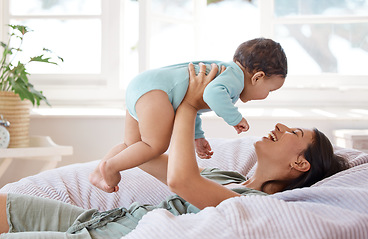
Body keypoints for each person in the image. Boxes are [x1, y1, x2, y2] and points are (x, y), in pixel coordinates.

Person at [0, 63, 348, 239]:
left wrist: (189, 106)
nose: (280, 128)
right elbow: (147, 153)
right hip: (93, 221)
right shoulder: (229, 177)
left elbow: (181, 179)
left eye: (294, 133)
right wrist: (145, 98)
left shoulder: (251, 205)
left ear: (300, 162)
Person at [90, 37, 288, 193]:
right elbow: (211, 95)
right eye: (270, 91)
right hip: (156, 93)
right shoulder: (234, 80)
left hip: (143, 86)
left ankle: (99, 172)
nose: (266, 96)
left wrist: (198, 135)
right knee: (155, 145)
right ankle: (111, 167)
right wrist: (235, 118)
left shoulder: (223, 71)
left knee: (133, 145)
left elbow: (194, 100)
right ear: (258, 77)